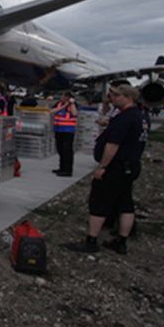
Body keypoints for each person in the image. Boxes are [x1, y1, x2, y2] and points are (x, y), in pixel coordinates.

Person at [63, 84, 143, 254]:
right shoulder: (137, 116)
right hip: (131, 166)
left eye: (116, 95)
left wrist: (103, 167)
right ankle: (121, 241)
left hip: (116, 167)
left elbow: (112, 145)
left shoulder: (124, 118)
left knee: (99, 202)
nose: (112, 98)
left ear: (128, 97)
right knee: (125, 203)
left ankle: (91, 241)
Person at [51, 91, 78, 177]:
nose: (62, 98)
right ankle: (61, 167)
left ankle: (67, 170)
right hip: (58, 130)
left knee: (67, 151)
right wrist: (64, 106)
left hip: (68, 131)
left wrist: (71, 103)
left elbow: (75, 113)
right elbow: (52, 111)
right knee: (60, 149)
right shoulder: (59, 104)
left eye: (63, 96)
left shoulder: (73, 105)